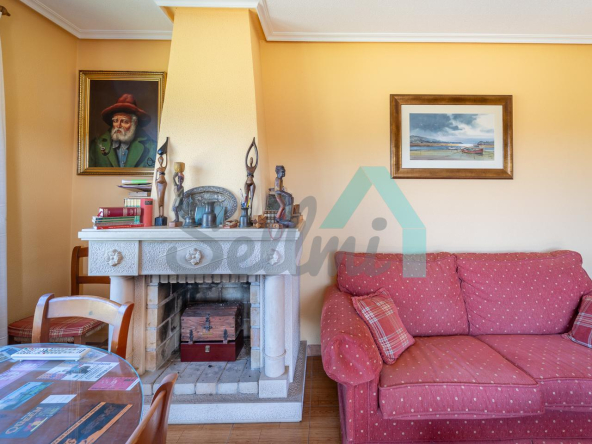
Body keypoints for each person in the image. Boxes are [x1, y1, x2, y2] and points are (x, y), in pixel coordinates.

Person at [88, 94, 156, 168]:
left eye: (124, 121)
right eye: (115, 121)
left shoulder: (151, 146)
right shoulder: (96, 145)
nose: (118, 126)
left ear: (135, 123)